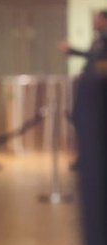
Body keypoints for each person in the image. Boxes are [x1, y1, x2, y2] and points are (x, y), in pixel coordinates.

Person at [59, 10, 107, 170]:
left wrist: (72, 50)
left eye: (97, 19)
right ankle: (86, 158)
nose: (95, 22)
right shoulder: (99, 38)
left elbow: (95, 57)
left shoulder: (104, 39)